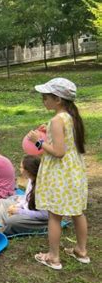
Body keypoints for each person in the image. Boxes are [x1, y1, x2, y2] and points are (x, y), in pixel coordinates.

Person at [27, 77, 89, 269]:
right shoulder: (70, 116)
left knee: (55, 214)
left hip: (60, 173)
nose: (43, 100)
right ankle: (81, 251)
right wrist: (50, 132)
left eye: (45, 97)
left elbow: (59, 152)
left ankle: (53, 257)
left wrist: (38, 140)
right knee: (77, 212)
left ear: (58, 100)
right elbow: (66, 140)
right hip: (74, 171)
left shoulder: (57, 119)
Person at [0, 156, 49, 236]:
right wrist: (17, 206)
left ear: (28, 170)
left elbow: (45, 215)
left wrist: (20, 211)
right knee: (0, 202)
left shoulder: (42, 187)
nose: (20, 169)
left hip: (39, 219)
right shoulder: (31, 180)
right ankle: (9, 223)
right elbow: (26, 198)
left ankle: (8, 224)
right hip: (26, 211)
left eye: (21, 167)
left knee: (12, 221)